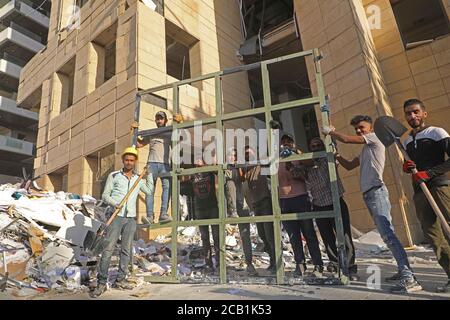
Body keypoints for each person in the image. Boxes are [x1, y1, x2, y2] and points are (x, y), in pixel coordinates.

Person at [322, 115, 422, 293]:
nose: (359, 131)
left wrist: (332, 132)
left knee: (388, 235)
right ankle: (403, 271)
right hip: (370, 194)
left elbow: (346, 139)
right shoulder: (366, 149)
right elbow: (350, 165)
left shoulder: (375, 138)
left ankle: (409, 277)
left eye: (362, 127)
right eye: (357, 129)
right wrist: (336, 155)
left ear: (370, 128)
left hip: (377, 191)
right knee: (387, 235)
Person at [90, 147, 154, 298]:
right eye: (127, 160)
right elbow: (105, 195)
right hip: (116, 216)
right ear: (123, 160)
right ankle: (101, 283)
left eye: (132, 160)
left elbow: (149, 191)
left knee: (126, 250)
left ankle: (121, 279)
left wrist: (149, 175)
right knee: (108, 249)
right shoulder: (114, 176)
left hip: (130, 219)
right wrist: (115, 203)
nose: (129, 162)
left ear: (135, 162)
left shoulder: (138, 179)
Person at [402, 98, 450, 293]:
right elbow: (411, 166)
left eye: (415, 112)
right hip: (420, 192)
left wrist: (429, 173)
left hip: (439, 187)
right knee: (433, 236)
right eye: (408, 113)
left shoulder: (437, 132)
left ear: (424, 113)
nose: (412, 116)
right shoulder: (405, 141)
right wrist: (407, 167)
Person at [303, 137, 357, 278]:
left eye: (318, 144)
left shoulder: (330, 159)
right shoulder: (307, 167)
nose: (315, 147)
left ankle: (350, 267)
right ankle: (335, 263)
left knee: (344, 235)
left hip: (336, 201)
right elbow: (295, 171)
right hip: (319, 205)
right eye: (313, 145)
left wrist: (331, 133)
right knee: (327, 237)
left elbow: (334, 146)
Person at [278, 134, 324, 276]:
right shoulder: (277, 160)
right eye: (284, 142)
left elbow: (305, 174)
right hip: (285, 200)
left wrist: (293, 159)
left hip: (300, 198)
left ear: (293, 143)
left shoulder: (299, 157)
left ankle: (317, 264)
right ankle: (300, 264)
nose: (286, 144)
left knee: (308, 232)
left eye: (289, 142)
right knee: (293, 235)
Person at [224, 148, 258, 276]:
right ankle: (221, 266)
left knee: (245, 235)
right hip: (228, 208)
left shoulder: (240, 168)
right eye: (230, 155)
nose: (232, 157)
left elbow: (246, 178)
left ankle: (249, 263)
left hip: (242, 206)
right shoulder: (224, 169)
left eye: (234, 155)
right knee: (222, 237)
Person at [242, 146, 276, 273]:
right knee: (262, 234)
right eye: (245, 154)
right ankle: (273, 260)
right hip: (255, 204)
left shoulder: (261, 164)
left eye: (249, 153)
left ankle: (276, 261)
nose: (247, 156)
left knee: (269, 234)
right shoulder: (247, 169)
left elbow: (269, 161)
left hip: (265, 201)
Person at [137, 111, 172, 223]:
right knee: (149, 191)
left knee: (167, 188)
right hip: (151, 164)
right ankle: (150, 217)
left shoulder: (170, 132)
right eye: (157, 118)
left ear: (165, 120)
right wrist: (133, 131)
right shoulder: (151, 133)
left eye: (161, 118)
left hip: (165, 164)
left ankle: (163, 215)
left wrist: (179, 123)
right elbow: (140, 144)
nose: (159, 121)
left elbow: (180, 139)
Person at [191, 158, 220, 271]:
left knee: (216, 236)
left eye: (200, 164)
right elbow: (182, 178)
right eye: (196, 165)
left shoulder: (210, 172)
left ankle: (219, 262)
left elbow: (218, 169)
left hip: (212, 207)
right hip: (200, 209)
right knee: (205, 238)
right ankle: (208, 263)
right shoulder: (192, 175)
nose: (198, 167)